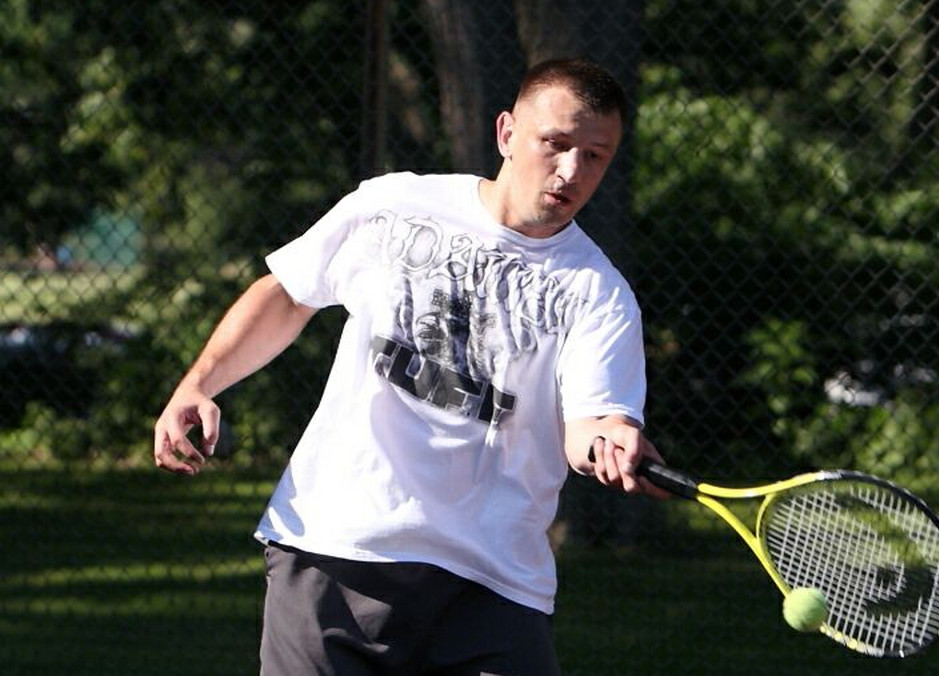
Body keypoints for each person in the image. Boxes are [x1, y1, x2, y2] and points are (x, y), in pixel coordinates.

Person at [153, 58, 667, 675]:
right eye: (554, 144)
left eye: (595, 156)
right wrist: (200, 382)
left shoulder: (598, 292)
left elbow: (592, 420)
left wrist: (613, 438)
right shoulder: (396, 203)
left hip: (491, 584)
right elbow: (290, 293)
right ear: (506, 133)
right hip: (336, 547)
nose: (570, 172)